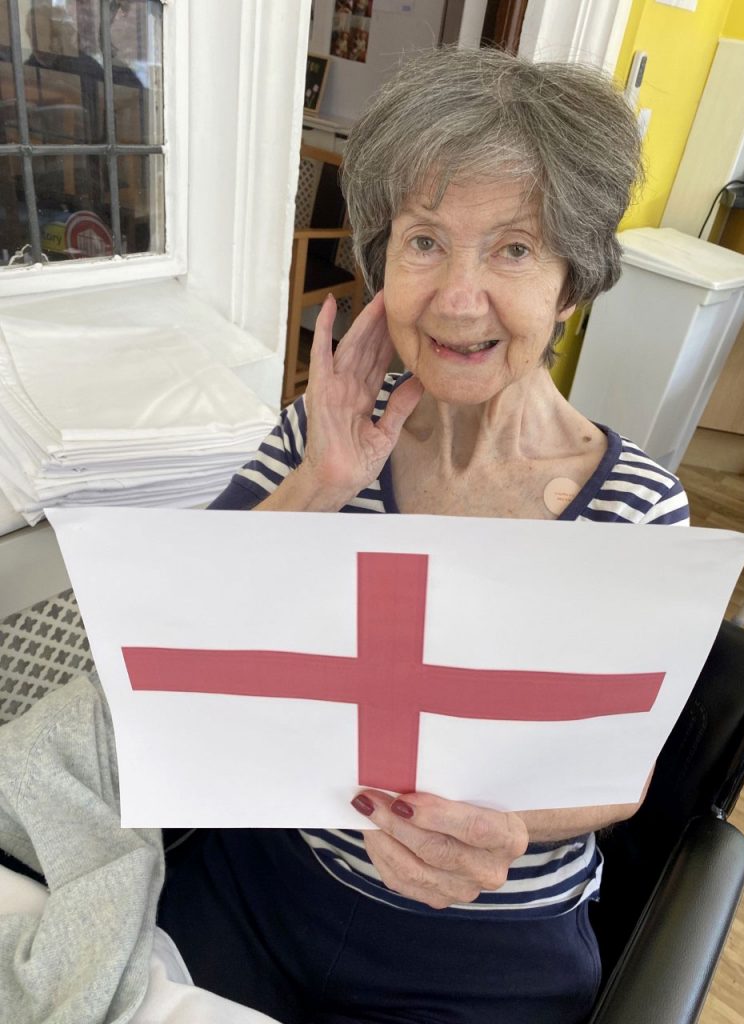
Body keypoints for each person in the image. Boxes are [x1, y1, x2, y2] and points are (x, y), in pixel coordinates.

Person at [157, 47, 689, 1024]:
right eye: (425, 241)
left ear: (572, 283)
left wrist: (506, 826)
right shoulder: (323, 431)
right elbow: (184, 636)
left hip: (479, 943)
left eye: (514, 249)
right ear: (382, 262)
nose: (456, 297)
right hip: (265, 882)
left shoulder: (635, 509)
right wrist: (324, 479)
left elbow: (623, 769)